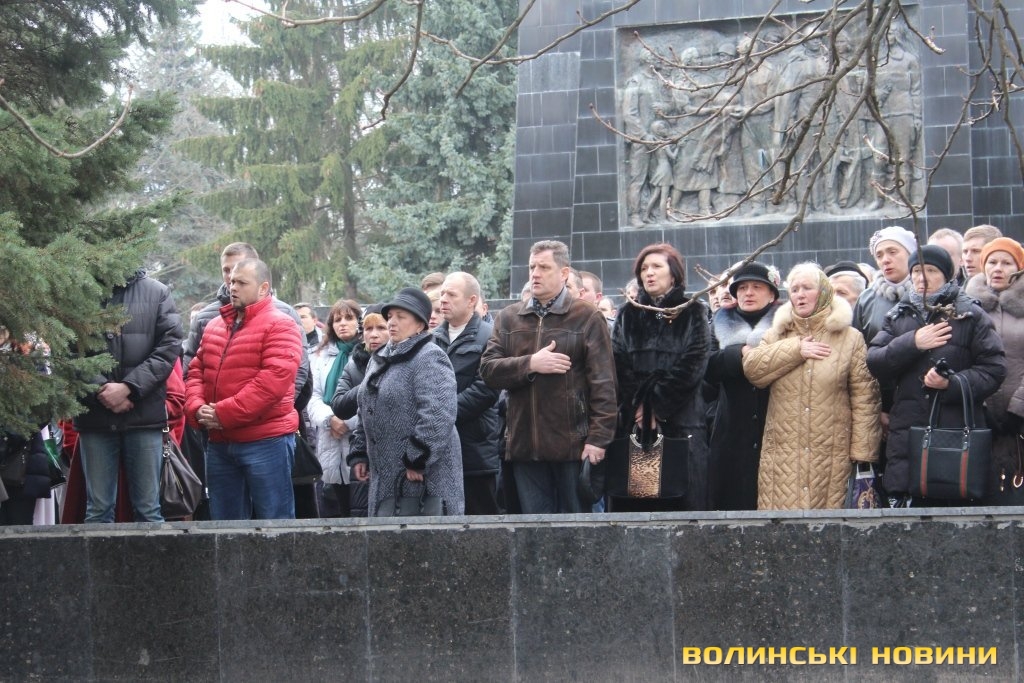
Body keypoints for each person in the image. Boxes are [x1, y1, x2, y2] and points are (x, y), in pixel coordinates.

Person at [480, 240, 617, 514]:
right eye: (532, 267)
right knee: (535, 532)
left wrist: (598, 438)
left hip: (573, 446)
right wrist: (531, 363)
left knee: (577, 530)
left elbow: (604, 384)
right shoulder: (508, 318)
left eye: (544, 267)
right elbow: (488, 371)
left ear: (564, 273)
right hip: (524, 447)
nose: (535, 274)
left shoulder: (587, 317)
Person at [867, 245, 1006, 506]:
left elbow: (994, 368)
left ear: (946, 275)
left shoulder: (969, 314)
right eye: (917, 271)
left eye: (931, 270)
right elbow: (875, 362)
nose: (922, 278)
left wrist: (952, 384)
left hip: (955, 435)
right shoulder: (898, 315)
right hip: (907, 436)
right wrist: (913, 343)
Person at [743, 263, 881, 510]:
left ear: (825, 292)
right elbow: (753, 370)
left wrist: (863, 454)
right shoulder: (777, 334)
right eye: (795, 289)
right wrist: (796, 349)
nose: (800, 294)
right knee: (781, 525)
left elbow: (865, 397)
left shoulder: (850, 338)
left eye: (807, 288)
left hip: (832, 452)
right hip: (783, 456)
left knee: (831, 525)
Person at [184, 259, 303, 520]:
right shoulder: (214, 325)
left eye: (241, 283)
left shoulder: (281, 325)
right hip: (220, 443)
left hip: (266, 441)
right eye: (231, 281)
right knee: (225, 526)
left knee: (275, 523)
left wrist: (221, 414)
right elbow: (195, 371)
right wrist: (196, 408)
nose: (232, 287)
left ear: (263, 288)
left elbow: (272, 383)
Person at [74, 268, 182, 523]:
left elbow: (168, 348)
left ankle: (151, 554)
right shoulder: (78, 293)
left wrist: (129, 388)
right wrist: (101, 390)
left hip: (143, 415)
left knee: (148, 509)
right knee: (98, 510)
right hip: (95, 416)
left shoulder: (157, 292)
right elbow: (68, 352)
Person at [612, 243, 712, 511]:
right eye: (644, 268)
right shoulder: (627, 314)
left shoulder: (693, 311)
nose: (649, 273)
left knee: (684, 505)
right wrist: (640, 408)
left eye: (657, 266)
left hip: (683, 421)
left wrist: (656, 405)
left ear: (674, 274)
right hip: (636, 425)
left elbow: (694, 362)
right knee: (638, 501)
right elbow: (618, 363)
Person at [348, 288, 464, 516]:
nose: (392, 322)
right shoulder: (380, 357)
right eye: (390, 316)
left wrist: (417, 459)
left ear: (420, 325)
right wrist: (360, 452)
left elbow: (438, 414)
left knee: (423, 534)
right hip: (384, 474)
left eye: (401, 317)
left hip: (423, 477)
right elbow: (366, 407)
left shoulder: (429, 356)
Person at [706, 262, 782, 510]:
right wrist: (739, 353)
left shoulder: (786, 324)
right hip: (731, 428)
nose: (748, 293)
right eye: (742, 288)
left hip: (777, 424)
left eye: (757, 287)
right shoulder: (718, 324)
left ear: (771, 294)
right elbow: (705, 366)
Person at [435, 272, 501, 515]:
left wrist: (442, 414)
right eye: (442, 293)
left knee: (481, 521)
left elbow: (486, 389)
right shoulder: (432, 340)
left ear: (472, 300)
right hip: (439, 448)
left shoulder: (490, 336)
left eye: (451, 294)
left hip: (475, 450)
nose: (443, 299)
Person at [964, 238, 1024, 503]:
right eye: (992, 262)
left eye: (1006, 263)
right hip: (979, 415)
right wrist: (981, 402)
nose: (998, 268)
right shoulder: (967, 306)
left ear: (1018, 268)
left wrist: (1019, 407)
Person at [305, 299, 361, 517]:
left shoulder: (368, 353)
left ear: (359, 322)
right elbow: (313, 396)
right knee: (338, 505)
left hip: (358, 437)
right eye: (337, 320)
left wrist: (347, 423)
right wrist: (330, 420)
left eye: (349, 318)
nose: (343, 324)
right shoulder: (320, 355)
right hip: (329, 437)